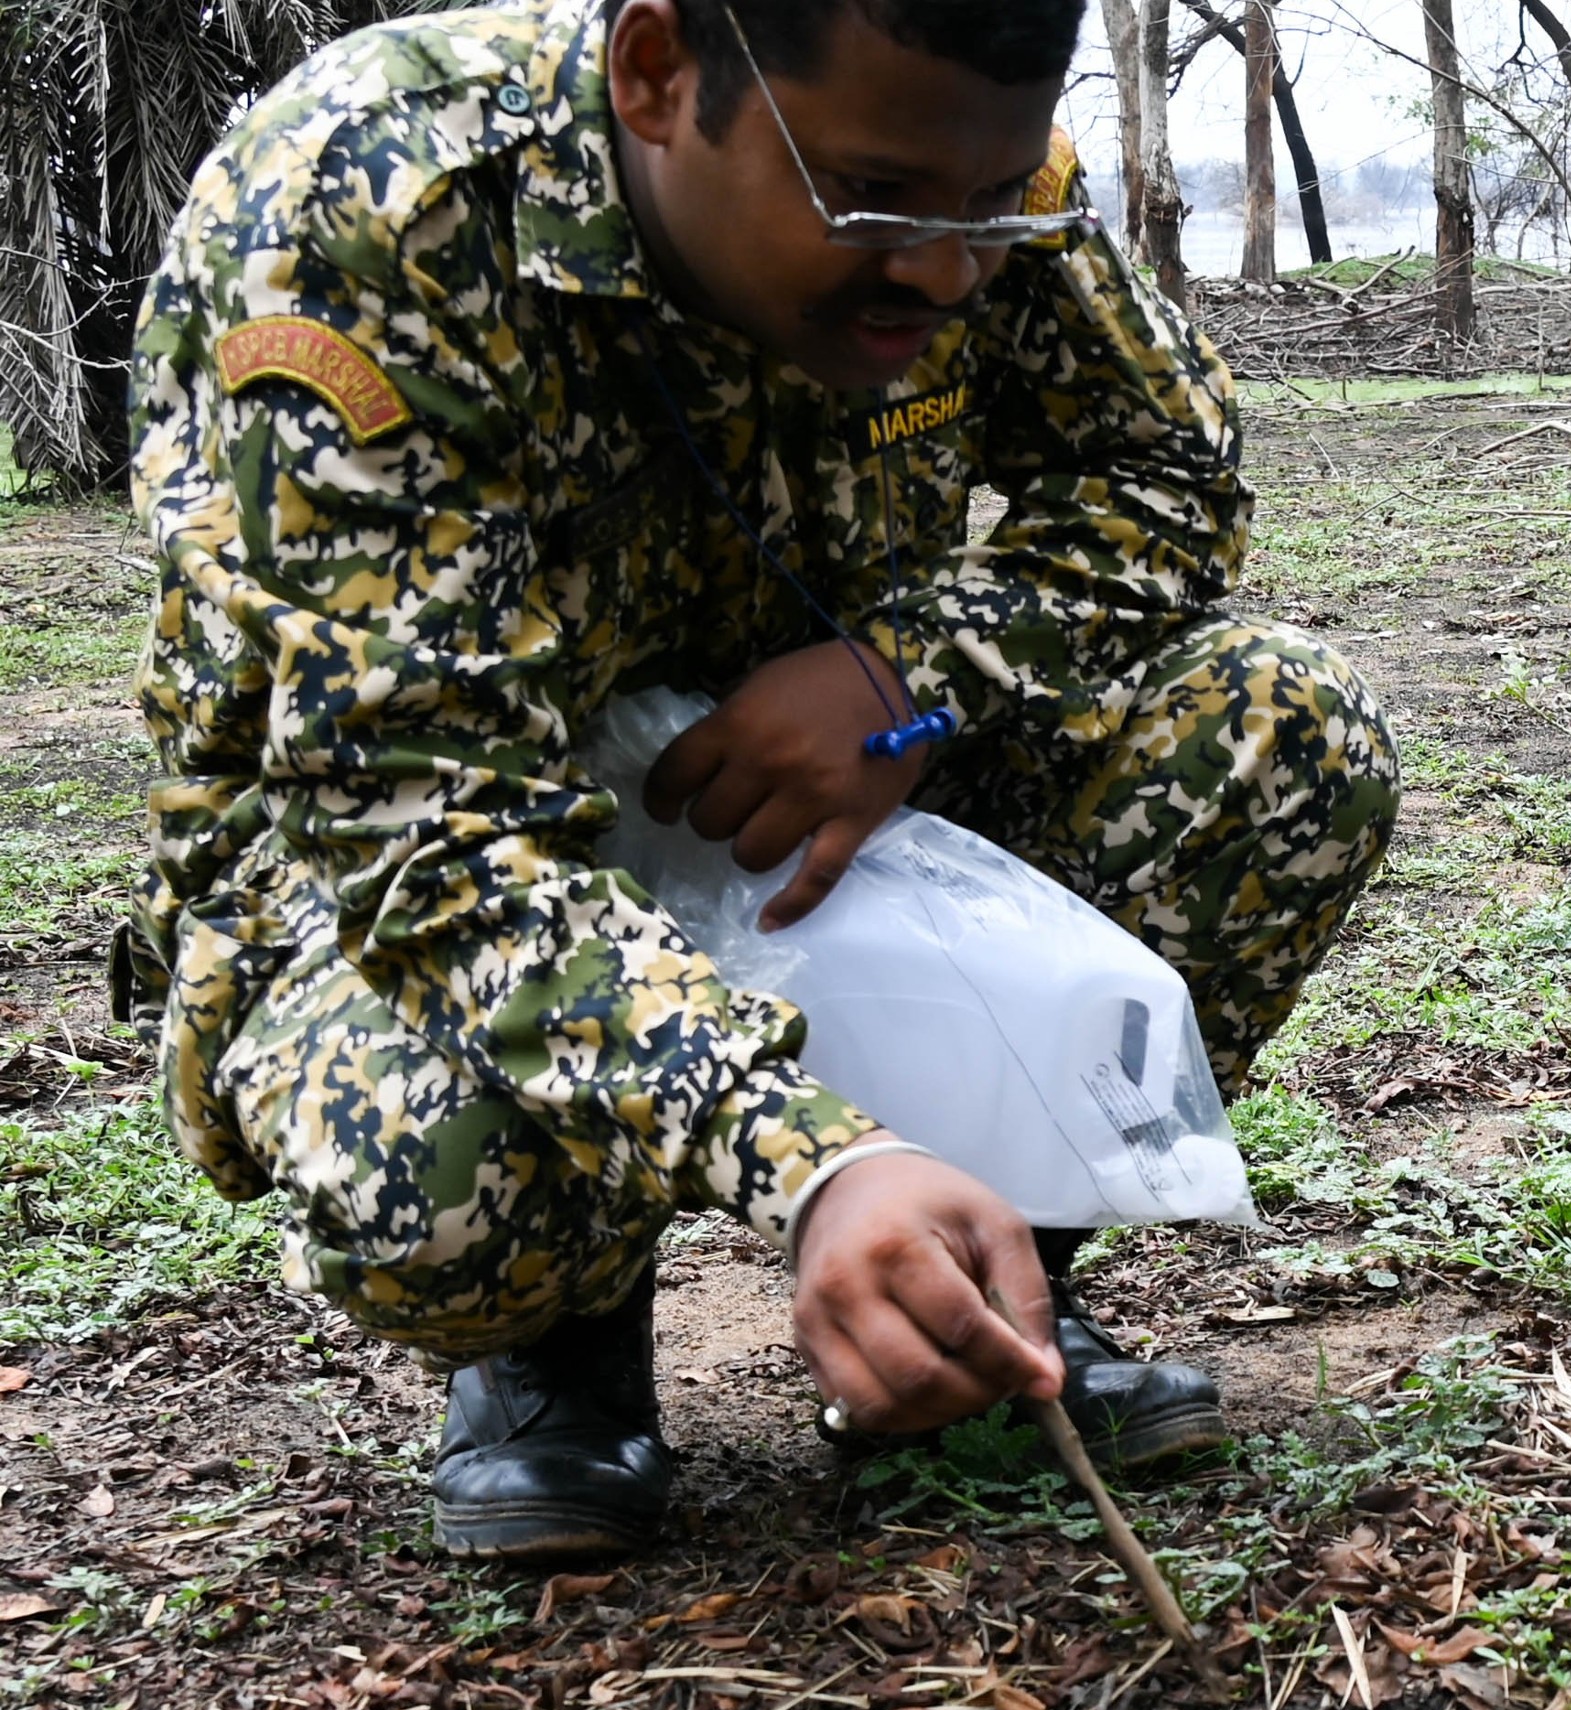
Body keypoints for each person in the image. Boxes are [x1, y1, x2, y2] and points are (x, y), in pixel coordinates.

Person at [123, 0, 1399, 1560]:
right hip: (470, 839)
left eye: (990, 210)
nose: (942, 269)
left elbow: (1169, 476)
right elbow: (423, 836)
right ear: (659, 75)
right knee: (430, 1180)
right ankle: (560, 1359)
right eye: (874, 205)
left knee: (1283, 727)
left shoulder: (956, 157)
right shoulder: (359, 210)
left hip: (839, 798)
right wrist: (814, 1161)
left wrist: (907, 682)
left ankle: (968, 1320)